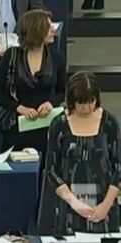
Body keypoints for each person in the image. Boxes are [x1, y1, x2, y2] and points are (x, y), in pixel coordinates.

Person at [45, 71, 120, 234]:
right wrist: (74, 202)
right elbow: (51, 171)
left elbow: (118, 167)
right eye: (81, 103)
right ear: (72, 100)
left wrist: (105, 205)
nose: (86, 108)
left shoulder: (109, 123)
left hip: (104, 207)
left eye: (91, 102)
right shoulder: (59, 125)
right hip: (69, 208)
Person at [0, 9, 66, 155]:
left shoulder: (57, 59)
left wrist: (50, 103)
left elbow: (62, 92)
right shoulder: (11, 56)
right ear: (37, 31)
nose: (53, 31)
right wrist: (19, 108)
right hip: (16, 126)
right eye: (49, 28)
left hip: (46, 127)